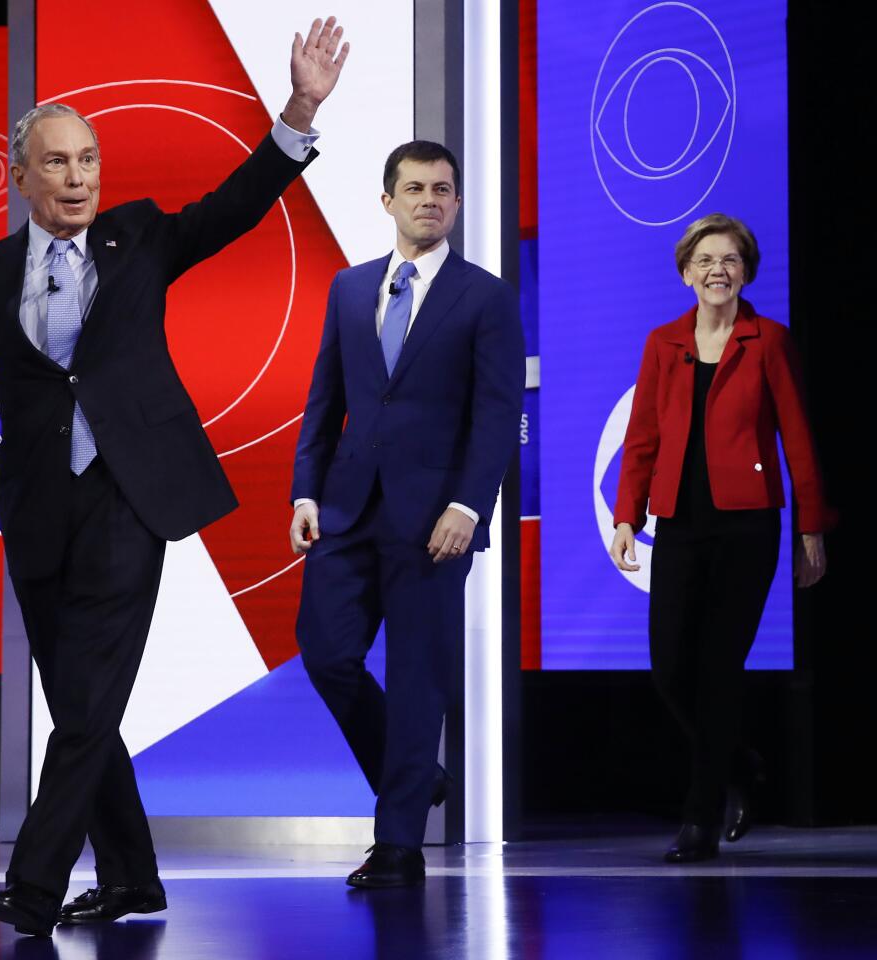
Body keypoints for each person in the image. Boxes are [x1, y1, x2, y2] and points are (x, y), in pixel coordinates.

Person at [0, 19, 350, 937]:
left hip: (128, 498)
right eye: (57, 164)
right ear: (21, 176)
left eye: (88, 161)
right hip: (36, 509)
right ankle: (134, 878)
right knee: (80, 707)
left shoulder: (138, 238)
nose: (78, 179)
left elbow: (234, 206)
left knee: (92, 696)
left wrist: (298, 108)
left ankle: (31, 885)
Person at [288, 140, 525, 888]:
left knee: (420, 675)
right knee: (326, 655)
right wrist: (305, 490)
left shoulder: (484, 296)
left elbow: (496, 413)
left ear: (457, 204)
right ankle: (415, 773)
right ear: (387, 200)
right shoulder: (349, 288)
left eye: (444, 189)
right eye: (416, 187)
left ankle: (398, 844)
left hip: (434, 522)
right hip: (347, 507)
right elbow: (324, 398)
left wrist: (467, 504)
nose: (431, 199)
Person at [609, 213, 835, 863]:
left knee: (717, 672)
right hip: (678, 523)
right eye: (705, 260)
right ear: (686, 272)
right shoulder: (662, 343)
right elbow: (643, 437)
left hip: (747, 525)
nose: (717, 270)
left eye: (730, 259)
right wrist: (628, 516)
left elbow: (798, 440)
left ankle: (699, 820)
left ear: (746, 272)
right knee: (669, 667)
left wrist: (811, 530)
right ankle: (739, 762)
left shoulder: (769, 341)